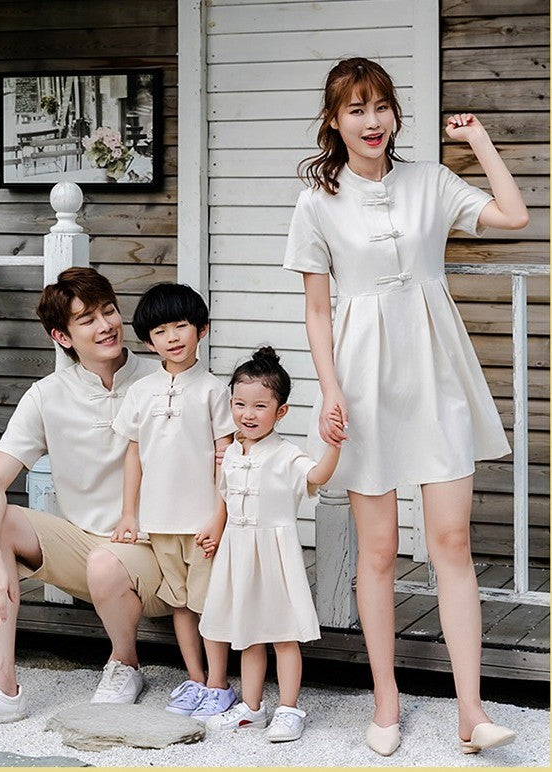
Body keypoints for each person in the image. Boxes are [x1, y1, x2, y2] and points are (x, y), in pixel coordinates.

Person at [283, 57, 527, 755]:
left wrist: (477, 140)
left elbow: (512, 215)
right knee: (381, 551)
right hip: (361, 380)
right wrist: (330, 389)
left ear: (395, 114)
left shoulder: (430, 181)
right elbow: (317, 311)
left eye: (381, 106)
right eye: (356, 109)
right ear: (335, 121)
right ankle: (385, 701)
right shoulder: (316, 202)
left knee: (451, 543)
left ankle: (471, 710)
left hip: (437, 374)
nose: (372, 121)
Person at [0, 267, 172, 731]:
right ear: (63, 336)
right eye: (87, 320)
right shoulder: (47, 396)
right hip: (85, 549)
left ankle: (125, 664)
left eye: (108, 311)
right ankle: (1, 688)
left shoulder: (159, 377)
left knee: (107, 562)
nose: (106, 325)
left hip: (152, 552)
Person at [198, 347, 343, 742]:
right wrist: (215, 529)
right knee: (247, 633)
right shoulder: (228, 455)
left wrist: (334, 445)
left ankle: (289, 708)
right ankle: (252, 707)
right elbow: (224, 500)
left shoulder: (286, 455)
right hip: (238, 552)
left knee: (282, 634)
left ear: (281, 412)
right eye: (240, 404)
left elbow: (319, 475)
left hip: (274, 555)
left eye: (260, 406)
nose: (248, 414)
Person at [111, 282, 237, 719]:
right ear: (148, 341)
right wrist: (130, 513)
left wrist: (220, 517)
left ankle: (219, 683)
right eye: (161, 331)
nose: (172, 337)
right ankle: (195, 678)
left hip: (204, 521)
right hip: (159, 521)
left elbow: (228, 458)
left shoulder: (214, 390)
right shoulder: (141, 392)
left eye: (181, 325)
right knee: (180, 603)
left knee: (210, 602)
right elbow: (134, 455)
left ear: (201, 329)